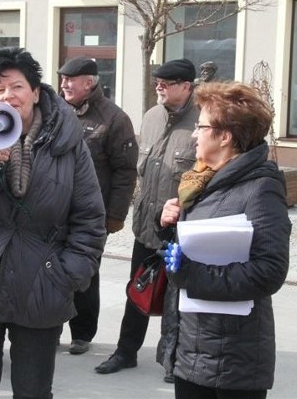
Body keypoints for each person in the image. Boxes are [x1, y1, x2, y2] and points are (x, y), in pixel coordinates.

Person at [0, 47, 106, 398]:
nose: (8, 96)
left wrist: (68, 275)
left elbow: (89, 217)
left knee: (33, 390)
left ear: (36, 93)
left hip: (42, 283)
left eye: (16, 87)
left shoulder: (68, 143)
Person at [156, 81, 291, 399]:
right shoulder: (201, 179)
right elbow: (191, 245)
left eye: (200, 127)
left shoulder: (260, 188)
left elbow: (269, 271)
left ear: (225, 136)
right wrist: (167, 225)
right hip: (191, 348)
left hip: (233, 361)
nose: (193, 134)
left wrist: (192, 275)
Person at [95, 58, 199, 380]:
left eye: (166, 83)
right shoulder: (152, 116)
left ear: (187, 86)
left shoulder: (203, 121)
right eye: (157, 82)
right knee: (137, 291)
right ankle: (126, 351)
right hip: (147, 226)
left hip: (182, 231)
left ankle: (172, 358)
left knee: (177, 298)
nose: (159, 87)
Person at [58, 56, 138, 355]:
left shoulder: (114, 118)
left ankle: (82, 334)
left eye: (70, 80)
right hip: (52, 210)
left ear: (89, 83)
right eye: (62, 78)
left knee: (84, 275)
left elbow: (126, 171)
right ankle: (49, 327)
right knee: (49, 270)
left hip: (90, 214)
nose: (63, 84)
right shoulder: (55, 110)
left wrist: (115, 214)